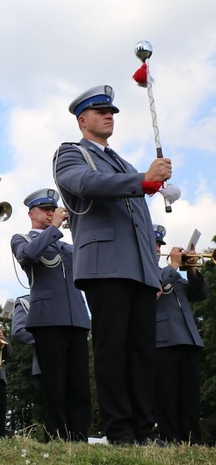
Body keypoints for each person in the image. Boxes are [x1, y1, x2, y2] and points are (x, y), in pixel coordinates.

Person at [54, 85, 171, 445]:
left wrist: (152, 272)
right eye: (102, 112)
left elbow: (138, 221)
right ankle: (119, 429)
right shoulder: (71, 153)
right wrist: (144, 180)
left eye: (113, 113)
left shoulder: (123, 161)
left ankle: (143, 428)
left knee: (141, 353)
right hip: (105, 265)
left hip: (138, 268)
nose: (110, 116)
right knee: (112, 349)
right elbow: (86, 184)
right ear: (83, 120)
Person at [10, 188, 91, 441]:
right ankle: (57, 435)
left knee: (79, 383)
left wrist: (77, 224)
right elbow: (30, 255)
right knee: (54, 383)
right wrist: (54, 227)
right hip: (47, 319)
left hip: (76, 317)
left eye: (53, 209)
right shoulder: (21, 238)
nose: (50, 213)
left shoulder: (65, 245)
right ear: (31, 213)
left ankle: (78, 436)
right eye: (45, 210)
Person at [153, 224, 208, 444]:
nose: (158, 249)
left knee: (189, 395)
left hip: (188, 338)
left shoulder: (172, 274)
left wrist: (192, 267)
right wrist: (174, 265)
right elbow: (153, 292)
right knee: (166, 394)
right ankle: (170, 437)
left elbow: (198, 294)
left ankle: (193, 439)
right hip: (162, 339)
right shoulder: (147, 272)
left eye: (159, 245)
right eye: (154, 244)